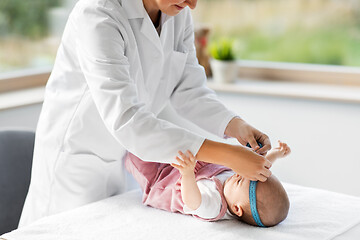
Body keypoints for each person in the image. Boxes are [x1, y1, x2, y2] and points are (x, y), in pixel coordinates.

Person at [19, 0, 272, 227]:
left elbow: (188, 88)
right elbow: (128, 119)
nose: (193, 4)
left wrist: (235, 125)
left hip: (121, 157)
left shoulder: (177, 13)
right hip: (73, 164)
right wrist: (228, 155)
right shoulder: (98, 14)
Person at [125, 141, 290, 226]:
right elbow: (261, 169)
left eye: (240, 180)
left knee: (136, 156)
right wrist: (275, 154)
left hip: (162, 181)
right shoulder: (240, 188)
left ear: (237, 209)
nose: (239, 174)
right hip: (182, 164)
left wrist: (188, 174)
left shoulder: (215, 206)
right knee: (154, 141)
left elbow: (193, 202)